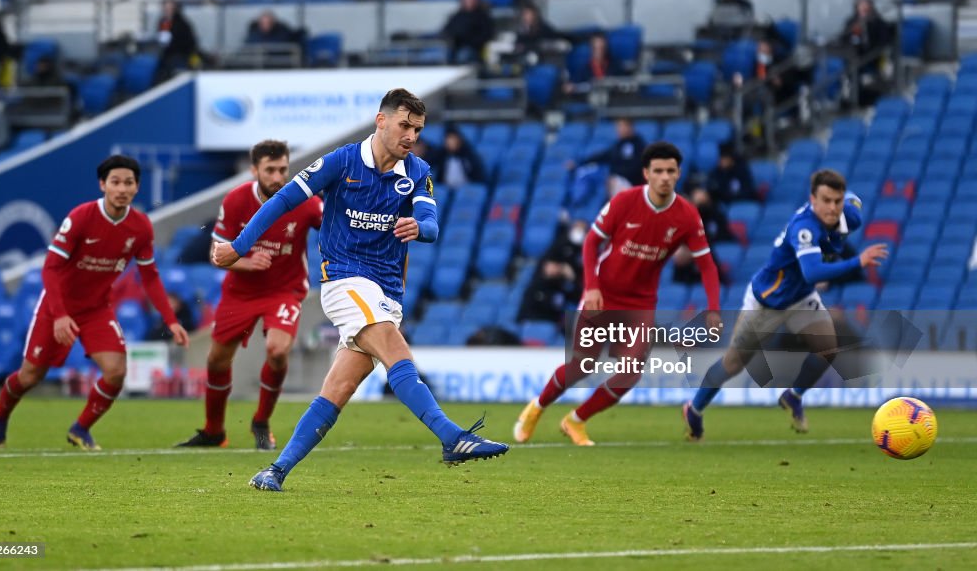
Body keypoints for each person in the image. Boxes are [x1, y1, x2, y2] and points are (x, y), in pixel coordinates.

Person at [212, 88, 509, 491]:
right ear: (381, 120)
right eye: (404, 125)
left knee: (338, 389)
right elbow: (284, 201)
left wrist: (419, 228)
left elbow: (432, 225)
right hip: (344, 279)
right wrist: (239, 246)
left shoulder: (417, 171)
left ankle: (275, 470)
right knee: (395, 347)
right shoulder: (341, 162)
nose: (410, 135)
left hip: (387, 288)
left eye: (417, 129)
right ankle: (452, 437)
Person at [514, 142, 722, 446]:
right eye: (658, 171)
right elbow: (590, 244)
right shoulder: (625, 201)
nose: (665, 177)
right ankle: (537, 407)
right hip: (604, 293)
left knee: (629, 374)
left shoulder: (687, 216)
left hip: (640, 303)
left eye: (671, 171)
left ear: (678, 174)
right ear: (646, 174)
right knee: (581, 366)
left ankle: (576, 420)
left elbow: (707, 265)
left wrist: (714, 308)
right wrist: (592, 287)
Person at [0, 155, 190, 450]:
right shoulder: (81, 217)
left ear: (137, 187)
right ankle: (0, 413)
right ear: (103, 185)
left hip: (96, 309)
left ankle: (80, 429)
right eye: (115, 182)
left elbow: (150, 277)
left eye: (128, 183)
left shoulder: (141, 227)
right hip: (58, 306)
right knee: (31, 375)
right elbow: (51, 268)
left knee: (116, 371)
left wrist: (171, 320)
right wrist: (58, 315)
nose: (122, 188)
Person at [682, 170, 888, 440]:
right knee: (733, 363)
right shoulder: (804, 228)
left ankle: (793, 396)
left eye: (837, 201)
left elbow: (853, 203)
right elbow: (813, 272)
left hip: (801, 297)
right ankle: (694, 410)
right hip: (767, 302)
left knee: (828, 348)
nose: (832, 207)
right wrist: (857, 262)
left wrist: (847, 203)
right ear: (812, 199)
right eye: (825, 200)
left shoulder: (849, 215)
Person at [177, 140, 323, 450]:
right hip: (241, 293)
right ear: (254, 170)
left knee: (278, 350)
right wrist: (246, 261)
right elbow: (218, 254)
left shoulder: (304, 201)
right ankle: (214, 431)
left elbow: (335, 224)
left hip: (285, 290)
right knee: (216, 360)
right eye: (270, 170)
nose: (278, 177)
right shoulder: (235, 201)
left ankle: (261, 422)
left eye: (283, 169)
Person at [569, 118, 646, 197]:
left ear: (630, 127)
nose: (619, 130)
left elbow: (636, 166)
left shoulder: (638, 145)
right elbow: (602, 156)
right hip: (616, 182)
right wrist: (579, 163)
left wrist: (617, 175)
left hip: (631, 184)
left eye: (622, 126)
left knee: (612, 181)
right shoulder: (618, 145)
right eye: (618, 127)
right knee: (588, 173)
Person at [441, 0, 495, 64]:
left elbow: (487, 34)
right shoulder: (456, 15)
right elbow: (446, 30)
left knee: (464, 55)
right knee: (442, 54)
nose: (469, 1)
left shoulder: (483, 16)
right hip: (456, 46)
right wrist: (451, 37)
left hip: (474, 48)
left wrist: (469, 39)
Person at [154, 0, 200, 82]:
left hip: (182, 53)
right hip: (167, 53)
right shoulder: (163, 21)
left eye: (170, 7)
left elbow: (188, 42)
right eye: (166, 7)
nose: (167, 10)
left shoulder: (182, 23)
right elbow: (162, 39)